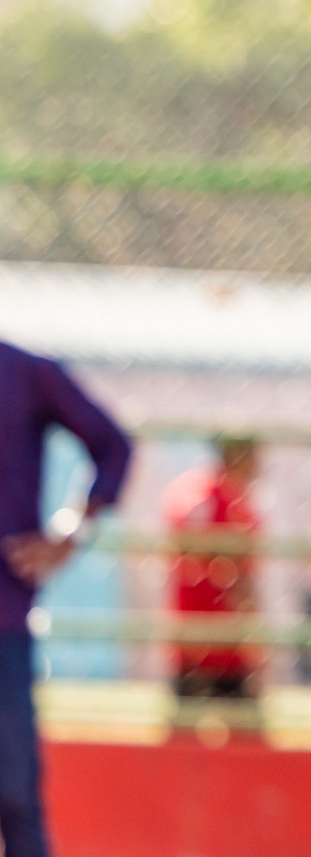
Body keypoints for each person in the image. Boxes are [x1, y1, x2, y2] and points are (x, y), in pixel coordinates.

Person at [0, 339, 131, 857]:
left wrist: (71, 530)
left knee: (13, 794)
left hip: (3, 618)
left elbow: (113, 445)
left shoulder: (24, 373)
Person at [163, 435, 262, 699]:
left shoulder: (186, 491)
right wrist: (256, 645)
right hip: (229, 648)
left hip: (189, 640)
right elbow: (241, 582)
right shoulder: (236, 504)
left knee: (184, 733)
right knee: (241, 733)